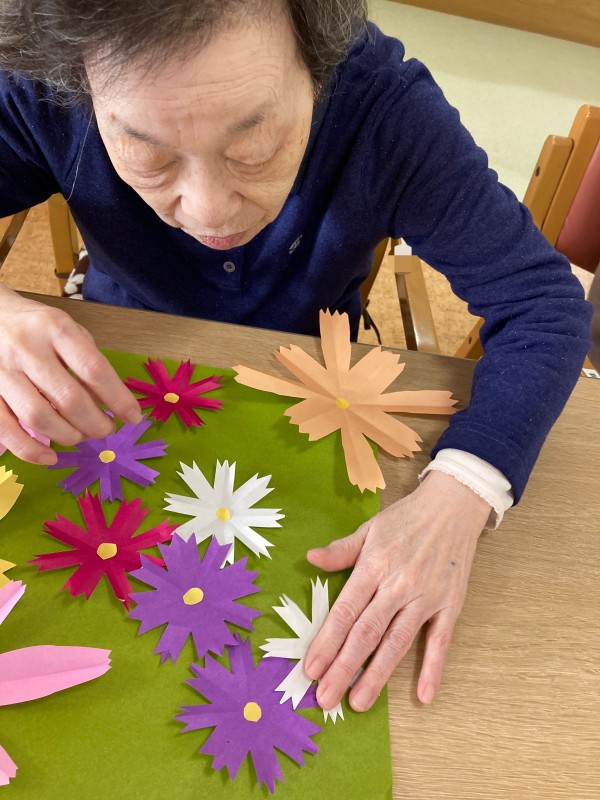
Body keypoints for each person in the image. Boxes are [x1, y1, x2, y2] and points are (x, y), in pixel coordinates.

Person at [0, 0, 591, 713]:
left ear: (319, 67)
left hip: (316, 372)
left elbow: (544, 303)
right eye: (149, 155)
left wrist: (466, 488)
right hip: (121, 359)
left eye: (253, 147)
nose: (209, 211)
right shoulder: (42, 83)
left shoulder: (383, 110)